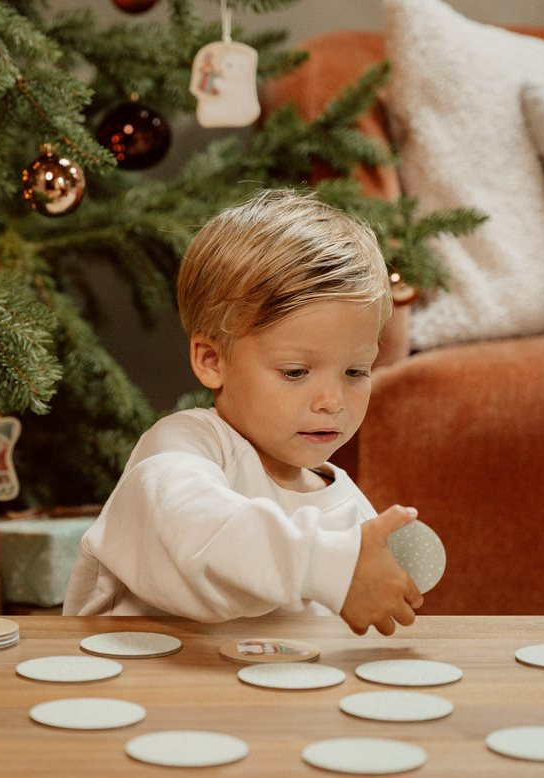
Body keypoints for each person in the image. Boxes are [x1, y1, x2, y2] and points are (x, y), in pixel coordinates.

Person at [63, 189, 423, 635]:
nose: (333, 399)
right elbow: (200, 539)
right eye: (295, 372)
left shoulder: (347, 511)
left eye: (355, 370)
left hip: (247, 700)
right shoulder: (179, 452)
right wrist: (334, 564)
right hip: (119, 691)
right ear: (213, 360)